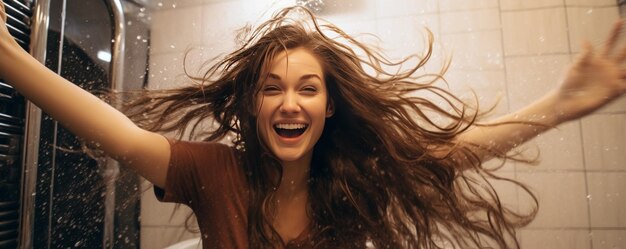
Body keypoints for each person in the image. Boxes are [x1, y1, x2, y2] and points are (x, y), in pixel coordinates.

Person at [1, 3, 625, 249]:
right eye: (270, 88)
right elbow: (118, 134)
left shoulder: (360, 184)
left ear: (329, 107)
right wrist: (8, 56)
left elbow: (456, 150)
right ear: (251, 106)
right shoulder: (214, 174)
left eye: (308, 88)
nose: (289, 103)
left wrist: (561, 105)